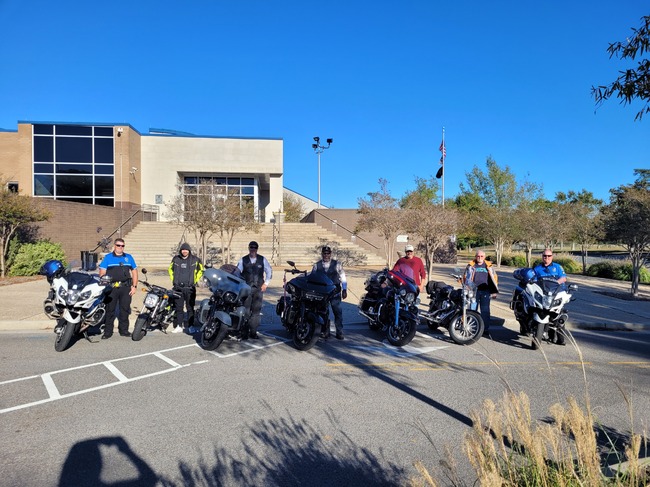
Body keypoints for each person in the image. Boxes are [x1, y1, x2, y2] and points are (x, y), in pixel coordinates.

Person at [98, 238, 138, 339]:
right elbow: (102, 271)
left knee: (125, 309)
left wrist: (134, 286)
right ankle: (108, 332)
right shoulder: (108, 257)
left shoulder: (128, 257)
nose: (120, 247)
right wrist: (104, 282)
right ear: (114, 246)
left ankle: (124, 330)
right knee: (110, 310)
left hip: (125, 288)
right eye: (118, 245)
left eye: (122, 246)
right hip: (112, 288)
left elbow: (134, 272)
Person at [236, 241, 272, 340]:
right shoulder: (243, 260)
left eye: (255, 247)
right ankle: (244, 332)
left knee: (256, 311)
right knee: (246, 310)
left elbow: (269, 271)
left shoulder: (262, 259)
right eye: (251, 247)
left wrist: (266, 284)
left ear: (257, 249)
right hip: (247, 288)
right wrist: (240, 284)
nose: (253, 249)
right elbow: (237, 272)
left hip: (258, 289)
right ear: (248, 248)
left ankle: (253, 332)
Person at [312, 245, 347, 340]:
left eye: (328, 253)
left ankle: (339, 331)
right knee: (323, 312)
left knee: (337, 312)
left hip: (335, 292)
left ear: (330, 254)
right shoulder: (316, 265)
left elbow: (343, 277)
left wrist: (344, 289)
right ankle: (325, 331)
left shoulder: (337, 264)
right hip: (323, 293)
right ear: (322, 254)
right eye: (324, 253)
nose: (326, 255)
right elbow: (313, 278)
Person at [168, 242, 204, 334]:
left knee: (190, 308)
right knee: (178, 308)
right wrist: (174, 280)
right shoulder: (176, 259)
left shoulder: (195, 259)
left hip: (190, 288)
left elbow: (201, 270)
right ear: (181, 250)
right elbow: (170, 270)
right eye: (183, 250)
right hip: (178, 288)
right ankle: (179, 326)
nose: (184, 251)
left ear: (189, 251)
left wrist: (195, 280)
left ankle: (191, 326)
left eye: (186, 250)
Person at [464, 250, 499, 336]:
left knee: (485, 310)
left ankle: (485, 329)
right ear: (475, 256)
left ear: (484, 257)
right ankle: (471, 327)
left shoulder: (489, 266)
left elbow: (494, 278)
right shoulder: (471, 265)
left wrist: (494, 291)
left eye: (481, 256)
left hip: (486, 291)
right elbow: (465, 277)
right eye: (478, 256)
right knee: (472, 310)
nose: (480, 258)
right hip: (473, 291)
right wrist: (466, 287)